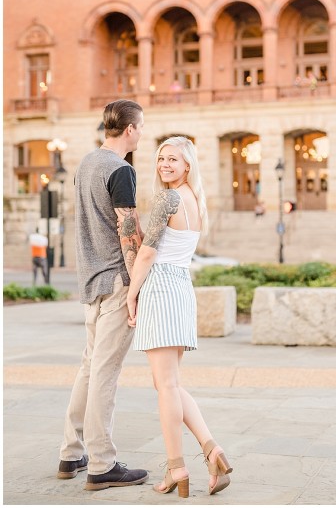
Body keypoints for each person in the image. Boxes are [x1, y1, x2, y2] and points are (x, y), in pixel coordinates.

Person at [126, 136, 233, 498]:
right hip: (182, 287)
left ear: (188, 165)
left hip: (160, 287)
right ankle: (211, 449)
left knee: (166, 386)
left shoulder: (168, 198)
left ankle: (177, 467)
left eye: (173, 159)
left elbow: (147, 254)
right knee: (168, 383)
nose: (165, 165)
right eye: (161, 158)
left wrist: (131, 294)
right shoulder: (196, 201)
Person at [58, 99, 149, 490]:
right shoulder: (121, 169)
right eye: (141, 126)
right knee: (105, 373)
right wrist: (136, 287)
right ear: (129, 129)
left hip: (90, 281)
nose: (142, 133)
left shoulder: (86, 164)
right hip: (115, 281)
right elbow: (128, 232)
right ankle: (101, 463)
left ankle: (70, 453)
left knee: (89, 366)